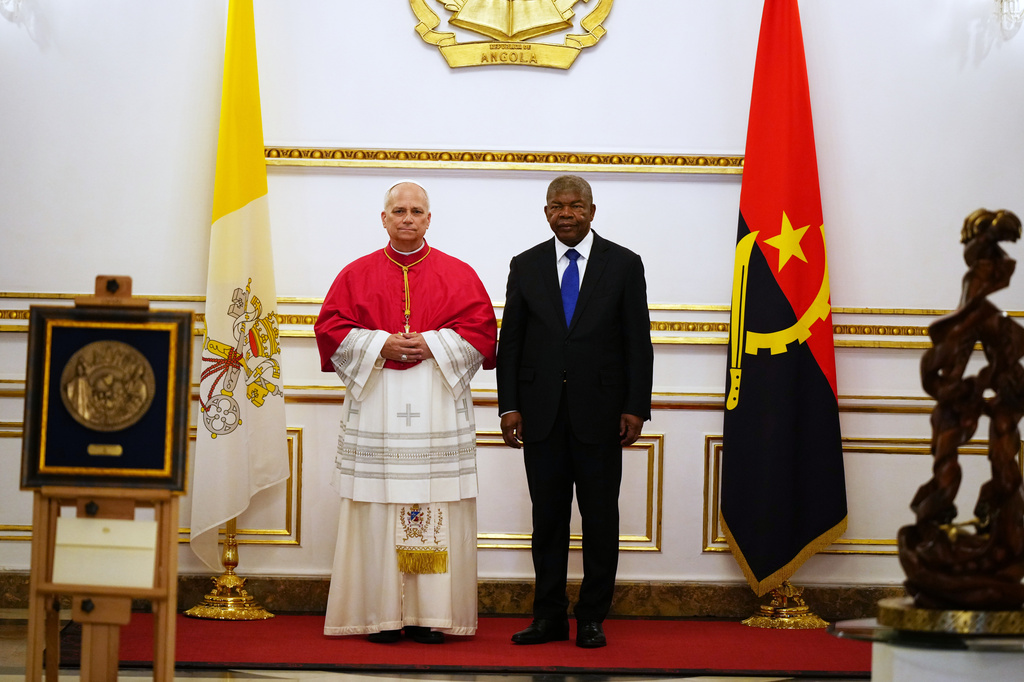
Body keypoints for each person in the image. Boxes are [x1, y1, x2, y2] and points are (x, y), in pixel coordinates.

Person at [314, 181, 497, 644]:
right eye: (399, 211)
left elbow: (482, 330)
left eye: (417, 211)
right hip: (377, 405)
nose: (408, 218)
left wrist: (432, 344)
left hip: (438, 406)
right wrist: (380, 343)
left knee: (436, 505)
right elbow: (330, 328)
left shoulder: (459, 274)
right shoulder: (356, 274)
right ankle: (381, 615)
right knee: (376, 507)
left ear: (429, 219)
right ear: (384, 218)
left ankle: (429, 615)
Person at [496, 175, 654, 648]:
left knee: (600, 520)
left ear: (591, 210)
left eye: (575, 205)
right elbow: (511, 342)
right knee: (548, 521)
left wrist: (635, 407)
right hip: (540, 415)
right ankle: (548, 617)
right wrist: (509, 405)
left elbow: (638, 341)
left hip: (602, 415)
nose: (566, 214)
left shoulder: (623, 263)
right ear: (546, 212)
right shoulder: (525, 264)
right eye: (557, 206)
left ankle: (591, 618)